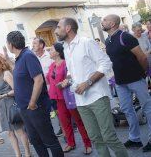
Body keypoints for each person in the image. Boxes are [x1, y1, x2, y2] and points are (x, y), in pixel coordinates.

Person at [55, 17, 128, 157]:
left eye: (58, 27)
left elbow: (106, 63)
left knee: (109, 137)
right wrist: (67, 79)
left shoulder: (86, 42)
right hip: (81, 101)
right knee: (95, 138)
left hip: (97, 96)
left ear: (68, 28)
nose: (56, 31)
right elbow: (73, 70)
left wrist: (88, 83)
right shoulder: (66, 46)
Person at [6, 31, 64, 157]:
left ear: (11, 45)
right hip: (25, 109)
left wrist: (32, 103)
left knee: (49, 139)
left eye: (7, 44)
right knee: (36, 141)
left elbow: (39, 80)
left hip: (35, 107)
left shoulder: (28, 56)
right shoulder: (20, 58)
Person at [102, 14, 151, 152]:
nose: (102, 22)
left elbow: (142, 57)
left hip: (136, 79)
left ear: (112, 24)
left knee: (147, 107)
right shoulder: (108, 40)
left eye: (105, 20)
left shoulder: (126, 37)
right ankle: (134, 138)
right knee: (127, 110)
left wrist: (142, 73)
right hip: (120, 82)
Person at [46, 42, 92, 154]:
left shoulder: (66, 64)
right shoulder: (52, 65)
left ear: (57, 52)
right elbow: (49, 79)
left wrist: (65, 82)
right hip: (57, 98)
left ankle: (87, 144)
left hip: (68, 97)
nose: (49, 52)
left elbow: (71, 78)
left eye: (51, 50)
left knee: (78, 121)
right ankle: (71, 143)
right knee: (65, 122)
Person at [0, 53, 31, 157]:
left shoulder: (6, 73)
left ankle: (27, 153)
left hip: (11, 104)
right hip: (2, 106)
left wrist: (5, 95)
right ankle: (18, 155)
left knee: (19, 130)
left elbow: (16, 90)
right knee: (9, 133)